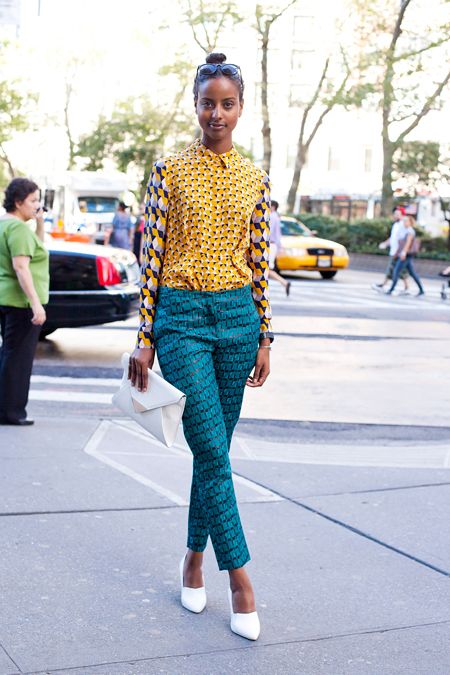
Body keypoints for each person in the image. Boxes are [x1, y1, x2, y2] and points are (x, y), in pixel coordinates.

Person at [129, 52, 272, 641]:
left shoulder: (254, 178)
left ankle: (192, 556)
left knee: (212, 452)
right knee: (212, 450)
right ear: (195, 106)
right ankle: (241, 581)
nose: (217, 112)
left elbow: (258, 259)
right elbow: (151, 256)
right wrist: (144, 336)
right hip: (182, 320)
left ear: (241, 109)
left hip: (238, 319)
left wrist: (265, 333)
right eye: (208, 102)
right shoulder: (168, 169)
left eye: (227, 103)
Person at [0, 178, 49, 425]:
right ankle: (12, 412)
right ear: (18, 202)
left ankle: (5, 409)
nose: (37, 205)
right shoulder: (18, 229)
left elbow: (37, 247)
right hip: (21, 303)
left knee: (9, 355)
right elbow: (21, 267)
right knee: (18, 359)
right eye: (32, 201)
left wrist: (39, 224)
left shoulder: (6, 224)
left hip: (6, 297)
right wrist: (36, 303)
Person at [372, 207, 409, 294]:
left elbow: (404, 240)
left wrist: (401, 251)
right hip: (394, 251)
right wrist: (385, 243)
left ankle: (385, 286)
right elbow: (392, 238)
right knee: (399, 270)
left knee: (395, 269)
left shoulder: (402, 225)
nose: (395, 216)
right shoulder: (396, 225)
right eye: (395, 214)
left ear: (402, 215)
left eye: (397, 214)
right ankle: (405, 288)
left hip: (398, 252)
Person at [386, 215, 424, 296]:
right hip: (405, 254)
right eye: (404, 221)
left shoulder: (410, 231)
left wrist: (403, 253)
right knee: (412, 273)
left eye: (406, 221)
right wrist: (397, 253)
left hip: (406, 255)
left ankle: (391, 289)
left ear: (410, 222)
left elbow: (407, 243)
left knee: (396, 271)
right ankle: (421, 290)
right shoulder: (404, 230)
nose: (404, 223)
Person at [268, 200, 290, 296]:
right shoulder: (276, 217)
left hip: (270, 245)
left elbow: (273, 233)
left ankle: (284, 282)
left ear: (272, 207)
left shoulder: (272, 217)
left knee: (266, 269)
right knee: (266, 269)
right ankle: (284, 283)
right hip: (273, 245)